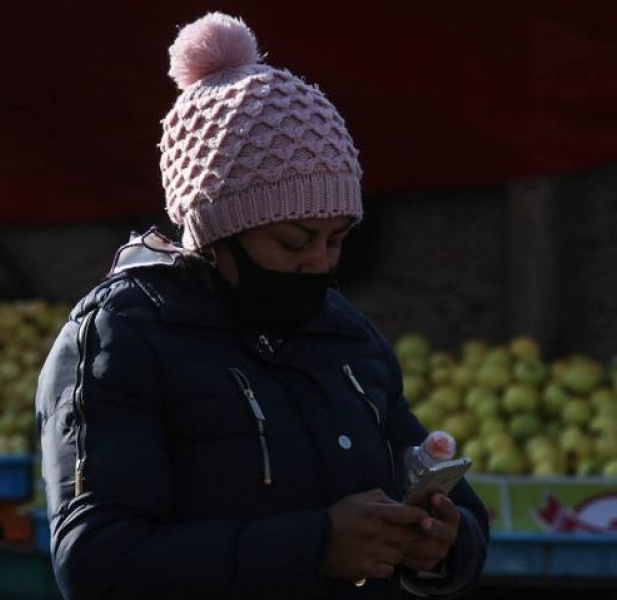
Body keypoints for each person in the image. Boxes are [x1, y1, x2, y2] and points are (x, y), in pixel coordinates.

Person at [36, 11, 488, 600]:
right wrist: (316, 546)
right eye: (294, 242)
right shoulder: (122, 339)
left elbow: (463, 514)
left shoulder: (346, 339)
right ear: (216, 233)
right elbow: (96, 564)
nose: (319, 265)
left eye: (336, 241)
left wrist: (443, 545)